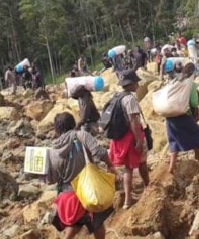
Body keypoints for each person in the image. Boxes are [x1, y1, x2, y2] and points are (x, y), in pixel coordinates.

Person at [47, 112, 114, 239]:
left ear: (57, 130)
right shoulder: (82, 135)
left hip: (69, 196)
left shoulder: (52, 150)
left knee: (75, 225)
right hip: (89, 189)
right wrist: (111, 166)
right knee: (97, 223)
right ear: (73, 124)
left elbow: (53, 179)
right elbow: (99, 152)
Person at [107, 70, 150, 209]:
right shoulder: (130, 99)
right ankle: (149, 188)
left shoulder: (117, 97)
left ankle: (127, 200)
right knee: (142, 163)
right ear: (131, 84)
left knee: (128, 168)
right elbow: (133, 120)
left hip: (120, 139)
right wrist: (138, 139)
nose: (138, 84)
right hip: (131, 137)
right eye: (136, 82)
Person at [165, 62, 199, 174]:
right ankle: (197, 157)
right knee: (198, 135)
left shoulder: (174, 81)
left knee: (174, 140)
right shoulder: (191, 85)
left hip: (170, 116)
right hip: (183, 115)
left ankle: (172, 166)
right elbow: (193, 102)